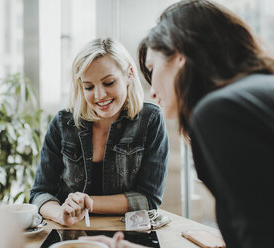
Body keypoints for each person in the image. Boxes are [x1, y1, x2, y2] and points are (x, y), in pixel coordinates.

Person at [80, 0, 274, 247]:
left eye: (152, 67)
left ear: (179, 56)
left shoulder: (221, 111)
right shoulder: (256, 93)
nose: (152, 92)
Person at [29, 38, 169, 226]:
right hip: (70, 233)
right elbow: (39, 193)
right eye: (89, 87)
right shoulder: (63, 123)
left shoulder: (150, 120)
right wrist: (59, 214)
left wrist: (88, 202)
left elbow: (149, 199)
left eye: (109, 83)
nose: (99, 95)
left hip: (127, 235)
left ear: (129, 74)